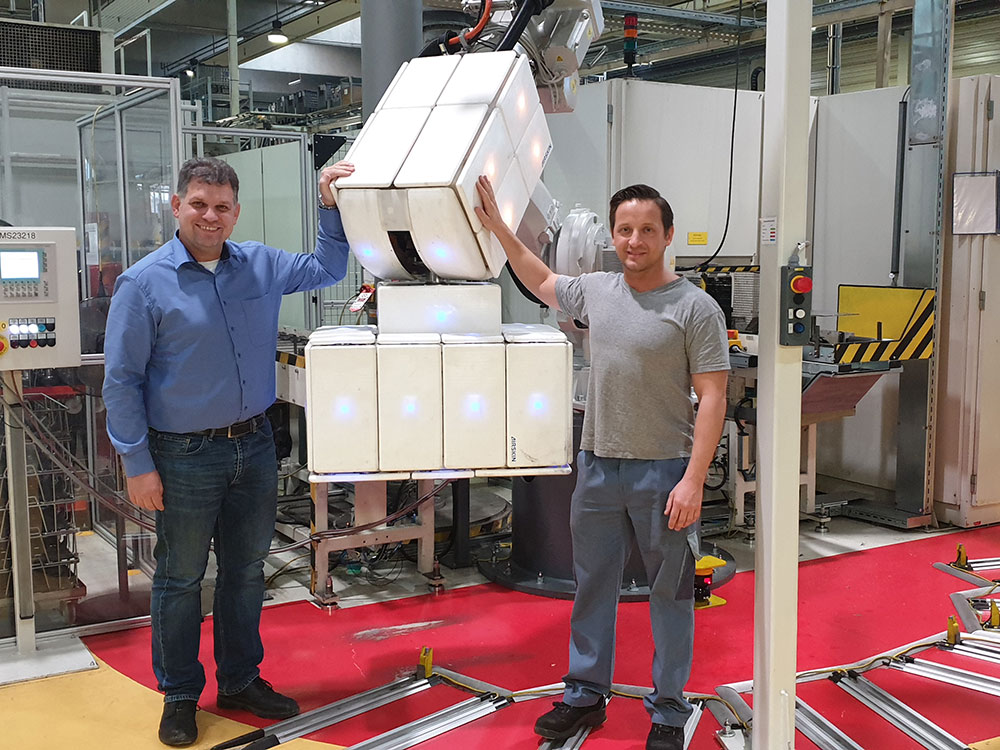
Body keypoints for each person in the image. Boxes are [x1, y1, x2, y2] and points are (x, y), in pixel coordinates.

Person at [103, 156, 355, 747]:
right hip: (183, 455)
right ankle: (181, 694)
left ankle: (240, 679)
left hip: (255, 446)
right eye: (198, 204)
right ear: (177, 206)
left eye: (220, 207)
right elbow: (121, 381)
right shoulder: (143, 284)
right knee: (181, 577)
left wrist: (328, 205)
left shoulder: (260, 266)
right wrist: (136, 464)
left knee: (245, 574)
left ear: (235, 212)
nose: (209, 216)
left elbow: (327, 266)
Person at [476, 177, 729, 750]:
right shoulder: (597, 290)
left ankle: (668, 710)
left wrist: (693, 481)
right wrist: (498, 228)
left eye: (646, 230)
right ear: (611, 236)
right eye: (624, 230)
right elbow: (541, 279)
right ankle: (585, 695)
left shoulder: (695, 308)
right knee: (593, 585)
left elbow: (712, 396)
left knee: (670, 592)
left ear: (666, 235)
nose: (634, 240)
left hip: (663, 472)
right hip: (596, 468)